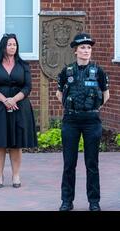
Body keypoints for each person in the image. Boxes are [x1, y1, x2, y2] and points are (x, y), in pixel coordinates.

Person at [56, 33, 110, 211]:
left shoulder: (99, 71)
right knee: (69, 163)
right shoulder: (67, 71)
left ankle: (94, 202)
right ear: (75, 51)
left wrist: (91, 108)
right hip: (71, 120)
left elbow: (105, 95)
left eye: (88, 47)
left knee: (92, 164)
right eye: (82, 47)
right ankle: (66, 201)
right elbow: (59, 94)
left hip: (91, 122)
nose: (86, 50)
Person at [0, 33, 37, 188]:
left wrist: (13, 100)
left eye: (15, 44)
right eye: (10, 44)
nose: (12, 47)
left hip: (19, 107)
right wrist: (5, 100)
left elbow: (27, 86)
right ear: (3, 46)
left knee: (16, 144)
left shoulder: (24, 65)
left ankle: (16, 175)